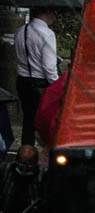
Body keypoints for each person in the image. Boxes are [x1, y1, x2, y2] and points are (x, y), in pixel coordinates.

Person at [14, 8, 59, 147]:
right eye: (54, 12)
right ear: (47, 12)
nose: (55, 16)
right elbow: (49, 67)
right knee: (45, 120)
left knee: (28, 119)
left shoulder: (20, 31)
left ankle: (26, 152)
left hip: (22, 80)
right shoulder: (47, 34)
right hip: (40, 83)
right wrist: (57, 85)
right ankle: (47, 153)